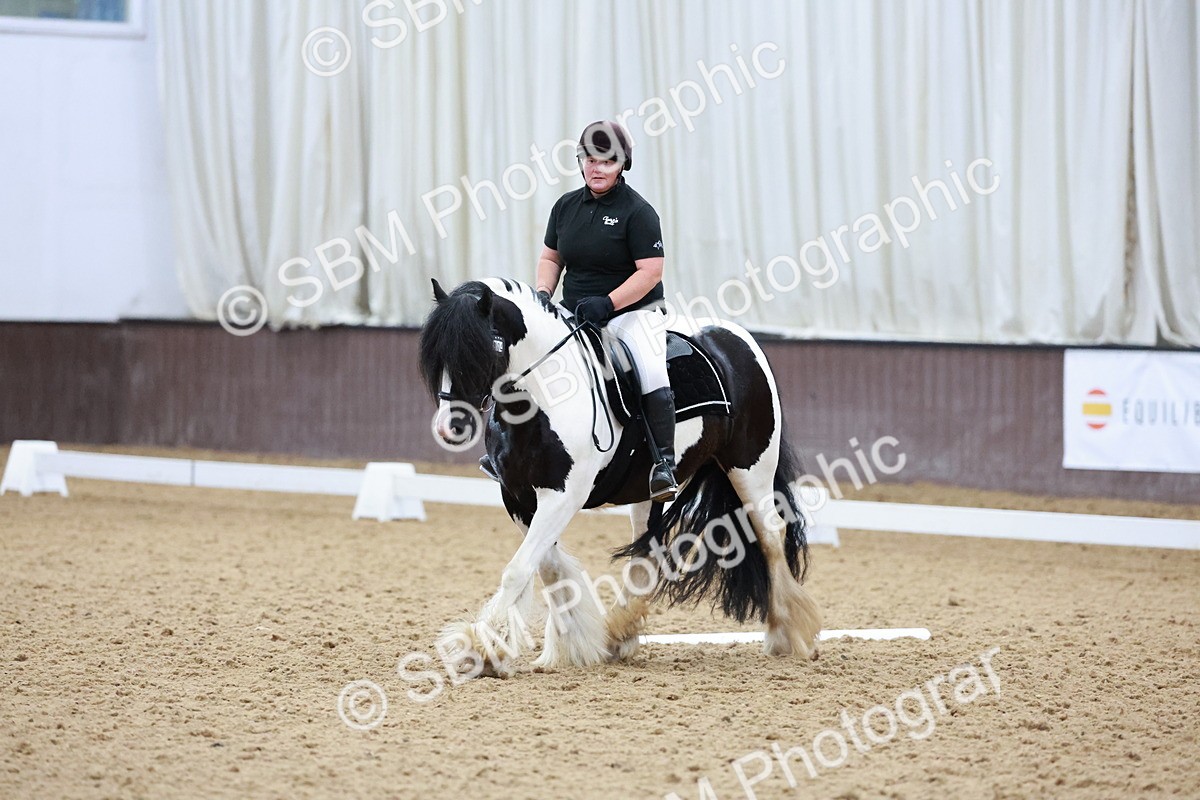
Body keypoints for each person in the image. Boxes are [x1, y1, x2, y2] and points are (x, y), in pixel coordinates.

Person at [535, 120, 678, 502]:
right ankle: (513, 449)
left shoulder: (638, 212)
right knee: (534, 359)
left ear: (622, 164)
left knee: (649, 366)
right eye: (589, 159)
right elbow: (551, 256)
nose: (596, 168)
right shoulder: (565, 207)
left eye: (607, 160)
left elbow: (651, 272)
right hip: (577, 311)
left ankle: (664, 463)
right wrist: (544, 292)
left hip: (633, 312)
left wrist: (610, 303)